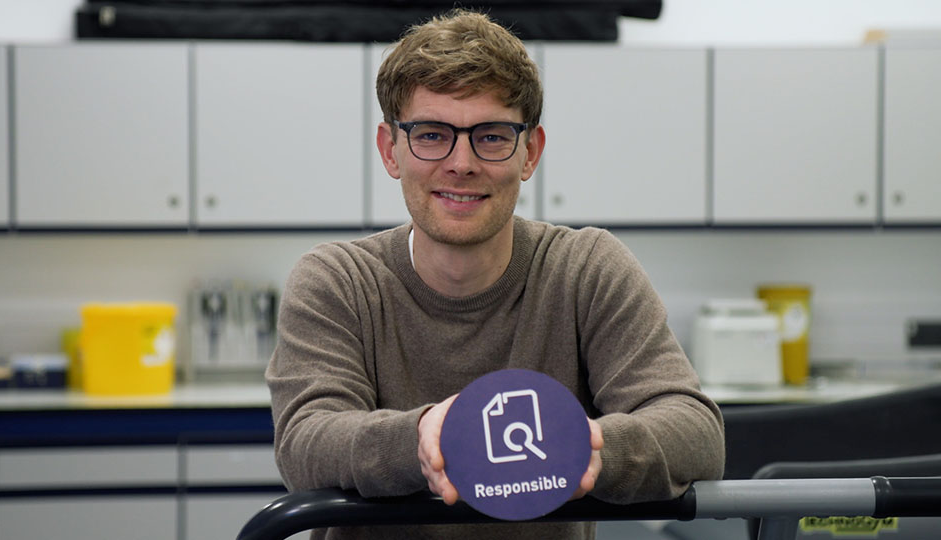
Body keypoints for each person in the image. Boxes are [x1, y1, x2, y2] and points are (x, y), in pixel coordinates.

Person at [266, 9, 725, 540]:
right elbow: (305, 443)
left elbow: (696, 432)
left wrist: (586, 446)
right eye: (432, 134)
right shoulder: (337, 281)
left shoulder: (587, 269)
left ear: (529, 152)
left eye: (490, 136)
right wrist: (421, 438)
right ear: (391, 150)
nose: (461, 163)